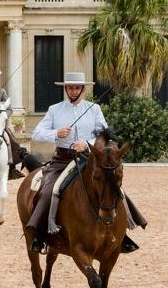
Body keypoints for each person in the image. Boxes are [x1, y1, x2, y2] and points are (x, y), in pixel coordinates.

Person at [26, 71, 147, 254]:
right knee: (49, 190)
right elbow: (36, 134)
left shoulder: (94, 109)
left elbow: (105, 135)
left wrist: (87, 144)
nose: (73, 91)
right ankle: (40, 235)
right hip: (63, 160)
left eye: (77, 88)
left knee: (114, 186)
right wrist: (56, 133)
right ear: (66, 89)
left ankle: (122, 234)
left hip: (90, 159)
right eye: (70, 88)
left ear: (82, 89)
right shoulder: (54, 109)